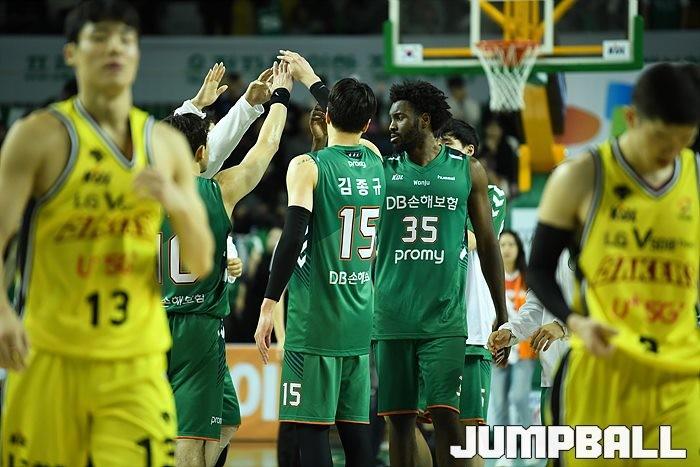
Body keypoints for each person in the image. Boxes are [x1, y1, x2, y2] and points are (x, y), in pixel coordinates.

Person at [0, 1, 213, 464]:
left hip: (136, 363)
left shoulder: (166, 146)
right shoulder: (36, 137)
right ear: (71, 53)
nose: (114, 48)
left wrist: (176, 202)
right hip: (50, 355)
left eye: (125, 39)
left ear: (138, 54)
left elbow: (200, 262)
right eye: (99, 37)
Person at [528, 62, 700, 466]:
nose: (670, 151)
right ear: (631, 118)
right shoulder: (579, 177)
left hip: (679, 374)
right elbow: (538, 269)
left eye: (684, 140)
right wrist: (575, 321)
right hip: (603, 368)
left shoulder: (694, 175)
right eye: (662, 139)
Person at [160, 62, 292, 467]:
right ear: (202, 153)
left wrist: (195, 106)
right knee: (191, 435)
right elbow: (266, 147)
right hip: (197, 325)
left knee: (226, 422)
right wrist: (281, 97)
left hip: (157, 320)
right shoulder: (220, 190)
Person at [373, 81, 508, 467]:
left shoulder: (468, 170)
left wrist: (502, 312)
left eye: (400, 117)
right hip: (392, 317)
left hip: (445, 320)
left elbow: (488, 244)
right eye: (390, 117)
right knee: (400, 422)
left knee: (449, 418)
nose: (391, 124)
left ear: (425, 120)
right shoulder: (383, 170)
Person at [254, 76, 383, 467]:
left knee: (310, 433)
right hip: (359, 322)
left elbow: (292, 238)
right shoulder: (375, 159)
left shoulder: (307, 166)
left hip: (315, 324)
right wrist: (313, 79)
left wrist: (268, 304)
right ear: (367, 124)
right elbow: (349, 120)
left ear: (326, 117)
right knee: (357, 437)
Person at [437, 118, 508, 435]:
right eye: (438, 145)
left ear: (469, 151)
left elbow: (473, 239)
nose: (440, 152)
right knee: (428, 425)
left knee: (470, 431)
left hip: (473, 325)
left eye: (448, 145)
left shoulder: (492, 195)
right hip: (431, 325)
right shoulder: (433, 191)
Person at [488, 251, 573, 427]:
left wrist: (564, 327)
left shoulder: (602, 245)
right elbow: (536, 307)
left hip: (595, 377)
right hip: (553, 378)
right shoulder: (549, 250)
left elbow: (610, 311)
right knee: (555, 445)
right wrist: (511, 331)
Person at [488, 229, 537, 436]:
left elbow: (535, 313)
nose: (506, 249)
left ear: (519, 248)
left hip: (523, 349)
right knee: (499, 402)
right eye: (502, 245)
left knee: (519, 397)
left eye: (511, 244)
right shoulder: (489, 277)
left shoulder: (528, 278)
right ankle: (503, 448)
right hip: (498, 349)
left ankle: (531, 442)